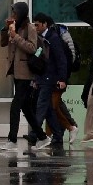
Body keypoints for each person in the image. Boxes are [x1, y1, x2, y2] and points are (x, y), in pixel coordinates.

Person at [0, 1, 44, 153]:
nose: (13, 16)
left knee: (15, 106)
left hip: (26, 72)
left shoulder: (29, 27)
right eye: (12, 13)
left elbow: (32, 48)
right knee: (26, 107)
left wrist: (16, 37)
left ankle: (12, 140)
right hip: (15, 71)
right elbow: (2, 43)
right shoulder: (15, 27)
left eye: (15, 13)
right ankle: (43, 137)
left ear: (21, 13)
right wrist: (6, 29)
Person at [33, 13, 74, 152]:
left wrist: (62, 79)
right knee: (49, 108)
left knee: (41, 105)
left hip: (50, 78)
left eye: (37, 24)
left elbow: (61, 59)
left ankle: (35, 133)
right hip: (43, 77)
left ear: (45, 24)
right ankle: (57, 134)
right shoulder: (42, 38)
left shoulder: (53, 38)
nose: (35, 27)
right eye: (34, 24)